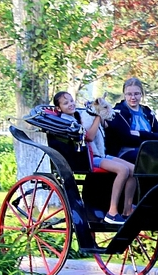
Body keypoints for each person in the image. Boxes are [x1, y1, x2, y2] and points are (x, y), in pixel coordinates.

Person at [53, 91, 136, 225]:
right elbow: (89, 136)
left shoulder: (78, 115)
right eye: (65, 103)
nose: (71, 104)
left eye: (71, 100)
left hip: (99, 154)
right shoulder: (66, 121)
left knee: (134, 170)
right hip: (88, 157)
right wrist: (97, 116)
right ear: (59, 108)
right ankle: (112, 212)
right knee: (123, 170)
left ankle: (127, 210)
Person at [105, 78, 158, 162]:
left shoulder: (147, 112)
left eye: (136, 94)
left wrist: (140, 133)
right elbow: (127, 139)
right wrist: (151, 138)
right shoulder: (118, 112)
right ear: (124, 95)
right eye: (129, 94)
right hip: (125, 153)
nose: (133, 97)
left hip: (149, 149)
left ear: (141, 94)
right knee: (146, 157)